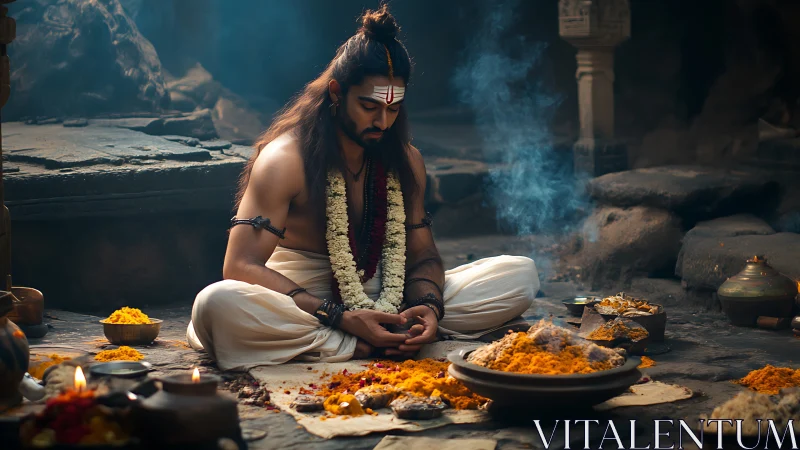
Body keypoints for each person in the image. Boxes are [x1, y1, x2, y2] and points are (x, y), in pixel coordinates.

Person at [186, 4, 539, 371]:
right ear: (337, 93)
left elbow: (424, 256)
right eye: (369, 106)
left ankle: (388, 333)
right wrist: (339, 316)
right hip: (301, 302)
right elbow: (240, 264)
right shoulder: (285, 160)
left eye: (393, 109)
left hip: (391, 294)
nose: (382, 121)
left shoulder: (406, 160)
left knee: (518, 275)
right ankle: (350, 340)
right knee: (217, 304)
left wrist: (429, 307)